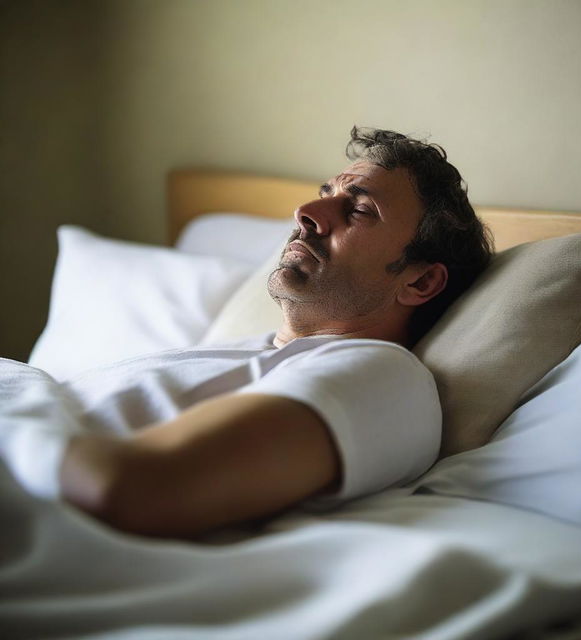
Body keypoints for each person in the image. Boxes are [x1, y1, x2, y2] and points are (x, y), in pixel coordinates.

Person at [2, 127, 493, 538]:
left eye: (359, 211)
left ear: (421, 280)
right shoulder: (234, 354)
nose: (306, 212)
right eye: (327, 195)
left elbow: (131, 489)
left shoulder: (383, 375)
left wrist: (19, 388)